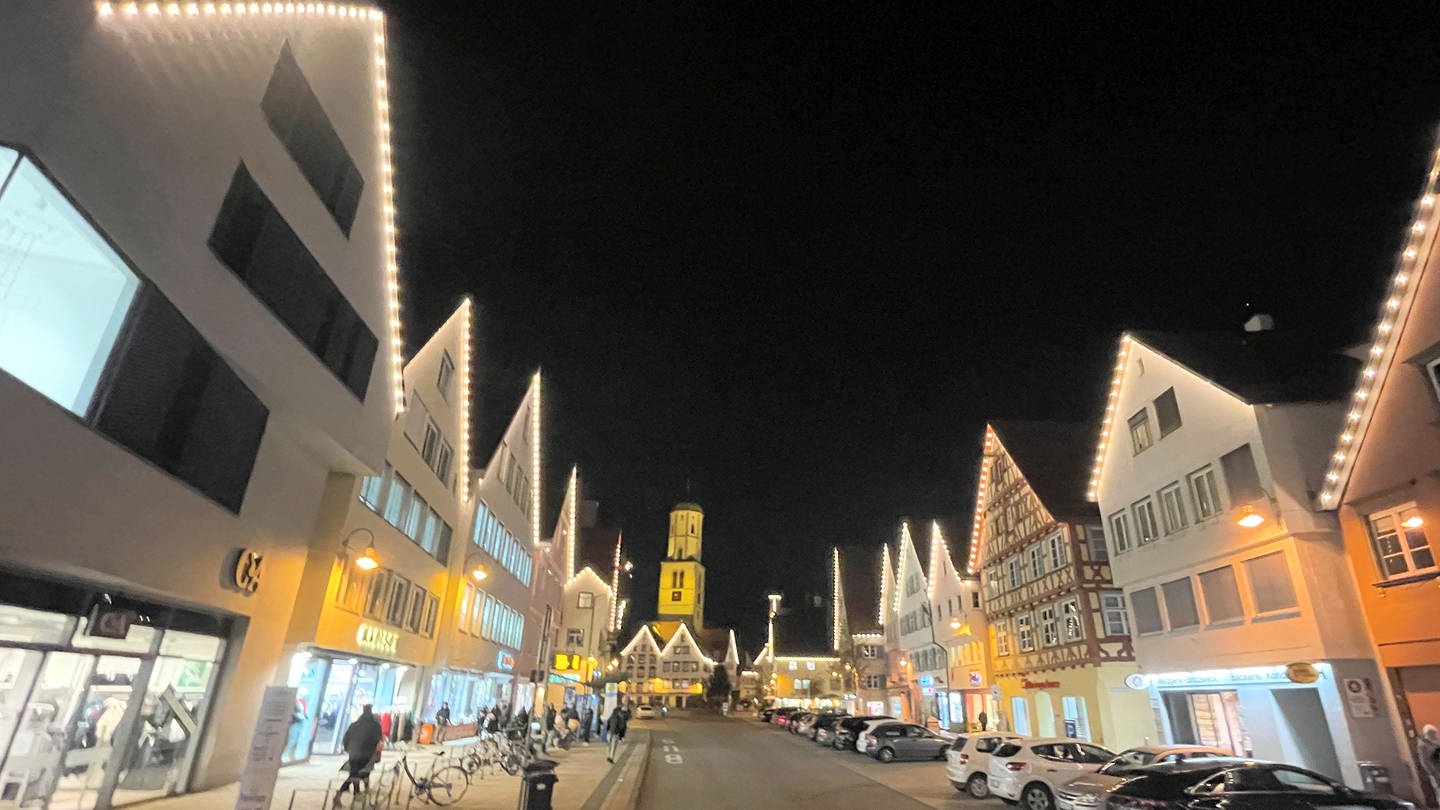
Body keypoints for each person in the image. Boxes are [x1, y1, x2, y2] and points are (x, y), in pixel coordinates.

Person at [335, 705, 383, 805]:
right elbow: (379, 740)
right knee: (361, 775)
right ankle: (343, 795)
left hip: (353, 754)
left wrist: (349, 749)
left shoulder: (354, 724)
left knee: (355, 775)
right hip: (366, 755)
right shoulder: (375, 726)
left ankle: (356, 794)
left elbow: (346, 738)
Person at [1420, 724, 1440, 799]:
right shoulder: (1423, 746)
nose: (1436, 735)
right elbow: (1425, 762)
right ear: (1429, 734)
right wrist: (1434, 774)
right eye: (1434, 733)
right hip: (1436, 773)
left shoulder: (1435, 743)